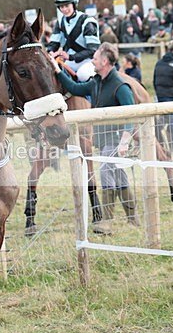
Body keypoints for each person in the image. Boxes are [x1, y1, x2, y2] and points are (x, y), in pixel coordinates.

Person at [50, 42, 137, 234]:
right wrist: (57, 71)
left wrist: (125, 140)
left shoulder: (121, 86)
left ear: (104, 61)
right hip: (103, 138)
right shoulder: (96, 82)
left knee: (106, 171)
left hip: (116, 139)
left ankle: (106, 221)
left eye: (95, 58)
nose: (92, 60)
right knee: (119, 176)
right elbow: (75, 87)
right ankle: (133, 218)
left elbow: (132, 115)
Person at [46, 0, 100, 81]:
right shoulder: (60, 22)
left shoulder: (87, 21)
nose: (64, 9)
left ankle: (95, 96)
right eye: (61, 7)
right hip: (69, 62)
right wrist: (50, 52)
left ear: (74, 4)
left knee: (83, 75)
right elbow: (53, 44)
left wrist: (71, 56)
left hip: (88, 61)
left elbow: (92, 49)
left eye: (67, 6)